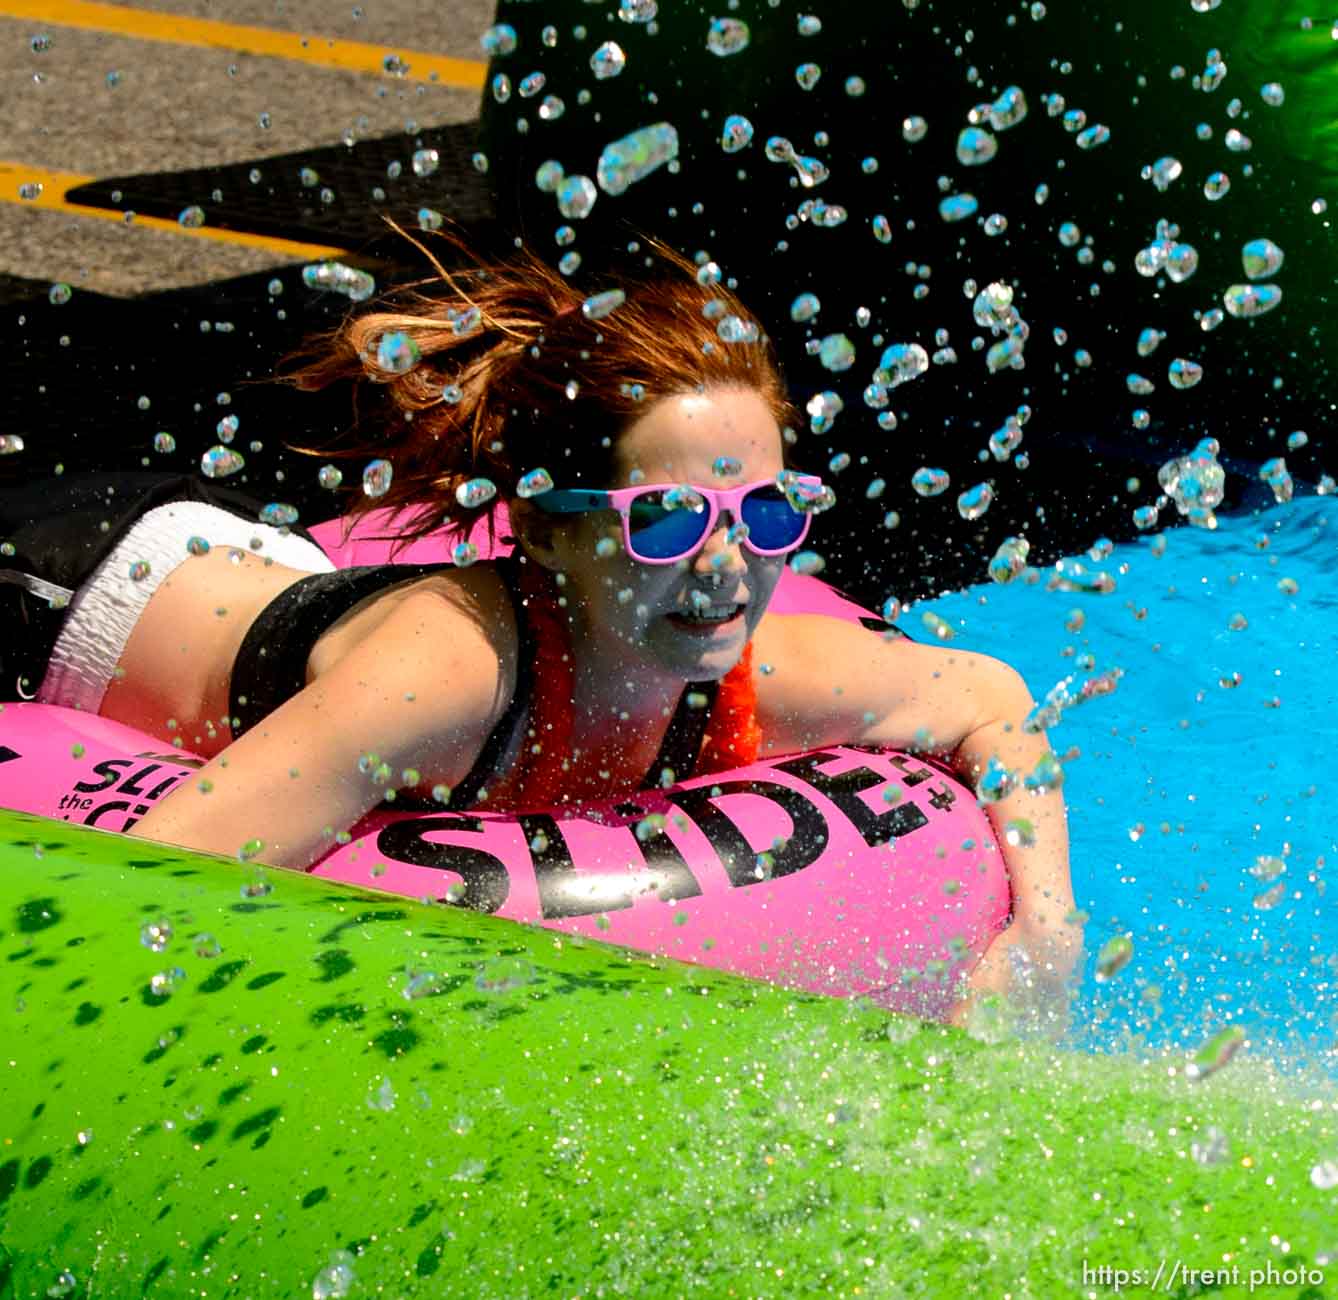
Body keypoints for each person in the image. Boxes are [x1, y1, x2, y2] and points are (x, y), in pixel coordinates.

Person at [6, 230, 1083, 1025]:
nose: (726, 566)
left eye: (765, 512)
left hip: (241, 566)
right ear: (545, 530)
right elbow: (145, 894)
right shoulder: (449, 681)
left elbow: (991, 701)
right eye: (663, 519)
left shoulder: (754, 667)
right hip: (58, 588)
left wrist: (1046, 933)